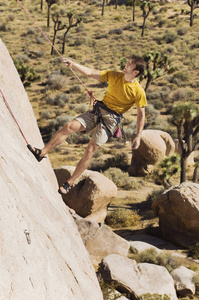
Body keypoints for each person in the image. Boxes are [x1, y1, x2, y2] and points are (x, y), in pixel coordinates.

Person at [28, 54, 147, 194]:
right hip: (99, 111)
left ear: (135, 72)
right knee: (69, 127)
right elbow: (91, 73)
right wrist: (72, 64)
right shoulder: (114, 75)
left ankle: (69, 183)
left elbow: (141, 114)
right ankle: (42, 152)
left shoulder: (138, 91)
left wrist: (138, 136)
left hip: (111, 121)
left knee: (90, 150)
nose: (125, 65)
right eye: (127, 62)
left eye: (129, 64)